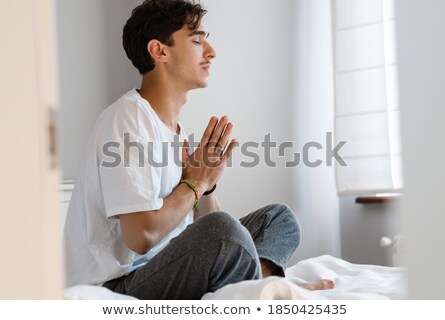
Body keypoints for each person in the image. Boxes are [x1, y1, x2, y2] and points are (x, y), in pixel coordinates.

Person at [64, 0, 334, 299]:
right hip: (122, 284)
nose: (211, 52)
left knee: (278, 219)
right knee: (223, 232)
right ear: (159, 51)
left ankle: (259, 281)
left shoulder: (174, 130)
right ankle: (267, 285)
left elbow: (204, 221)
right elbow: (141, 237)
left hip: (168, 261)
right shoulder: (128, 119)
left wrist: (204, 188)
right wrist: (195, 182)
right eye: (196, 40)